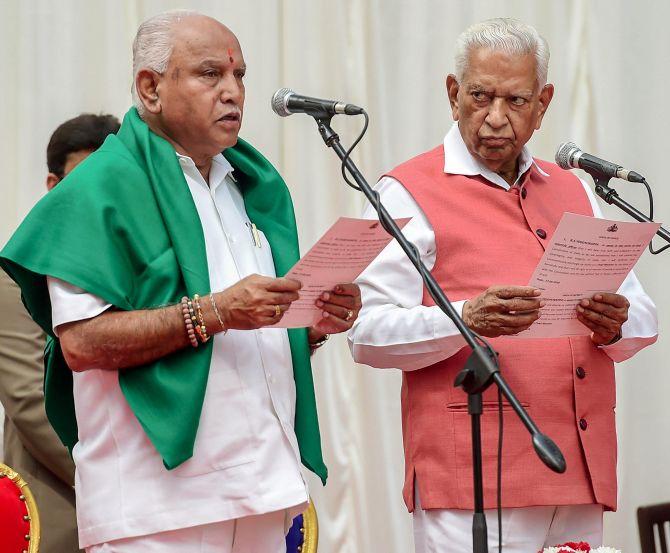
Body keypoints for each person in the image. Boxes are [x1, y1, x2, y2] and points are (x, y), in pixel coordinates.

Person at [1, 10, 361, 553]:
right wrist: (216, 312)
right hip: (156, 506)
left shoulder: (248, 185)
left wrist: (306, 326)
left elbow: (243, 330)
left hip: (263, 487)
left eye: (240, 76)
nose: (233, 92)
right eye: (210, 74)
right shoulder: (98, 188)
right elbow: (80, 342)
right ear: (150, 87)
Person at [348, 18, 658, 553]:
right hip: (474, 481)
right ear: (452, 93)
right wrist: (465, 318)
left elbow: (644, 316)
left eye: (516, 101)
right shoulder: (405, 191)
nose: (495, 118)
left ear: (543, 103)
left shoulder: (572, 188)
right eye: (479, 96)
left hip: (580, 470)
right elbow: (367, 334)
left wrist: (616, 321)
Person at [0, 113, 120, 553]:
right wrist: (120, 481)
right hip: (62, 514)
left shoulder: (134, 268)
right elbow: (31, 401)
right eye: (85, 179)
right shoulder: (14, 277)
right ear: (53, 185)